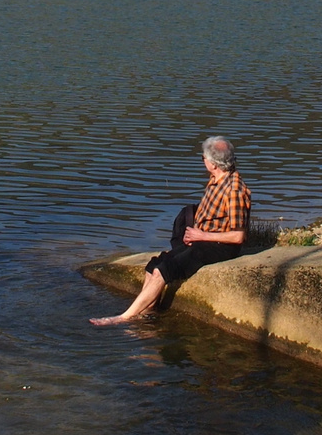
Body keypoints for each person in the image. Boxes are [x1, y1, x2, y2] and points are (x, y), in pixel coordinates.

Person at [90, 136, 250, 325]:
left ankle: (124, 317)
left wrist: (202, 235)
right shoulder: (216, 180)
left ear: (214, 164)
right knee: (154, 265)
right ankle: (147, 312)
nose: (203, 161)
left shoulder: (234, 190)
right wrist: (195, 232)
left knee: (163, 271)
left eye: (203, 158)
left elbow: (239, 236)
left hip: (220, 246)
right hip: (204, 239)